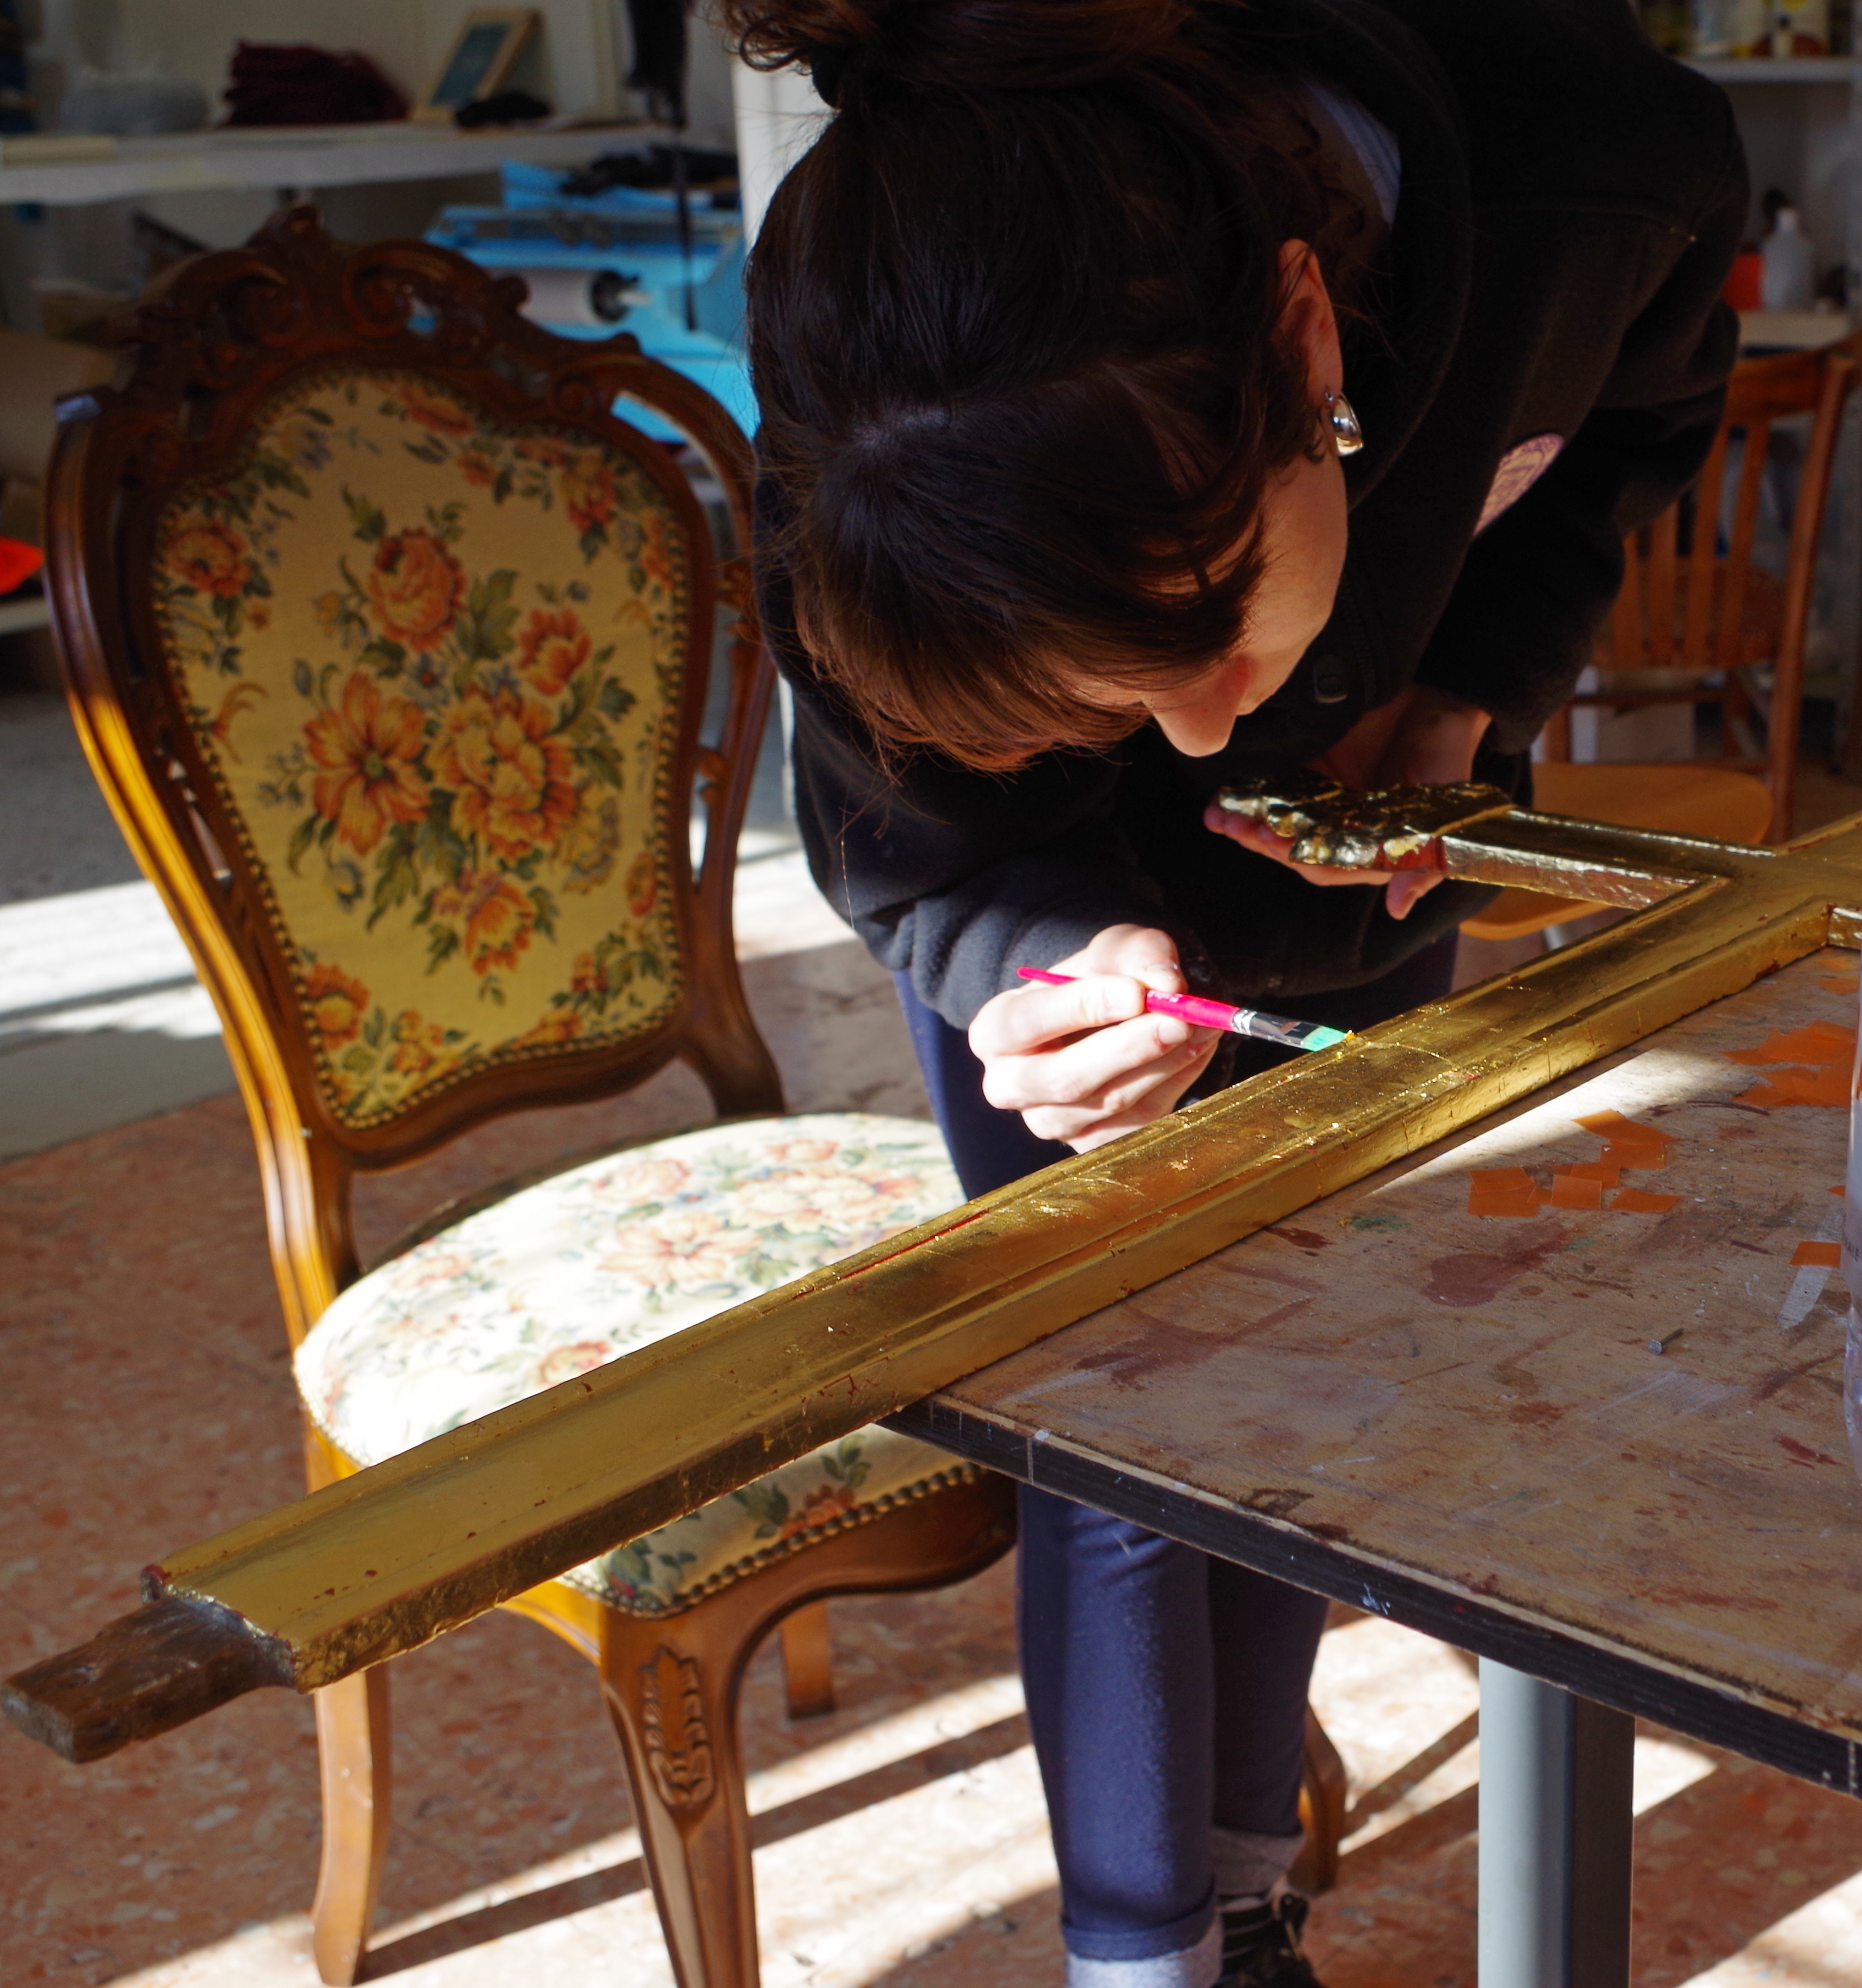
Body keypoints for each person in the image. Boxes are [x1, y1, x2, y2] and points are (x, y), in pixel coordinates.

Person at [723, 0, 1744, 1979]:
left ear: (1306, 334)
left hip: (1368, 848)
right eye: (1120, 692)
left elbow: (1632, 423)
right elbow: (895, 800)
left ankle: (1246, 1890)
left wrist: (1463, 689)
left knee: (1306, 1387)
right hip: (1047, 906)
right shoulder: (862, 323)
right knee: (1116, 1431)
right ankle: (1137, 1949)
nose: (1205, 734)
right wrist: (1025, 954)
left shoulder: (1600, 168)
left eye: (1206, 628)